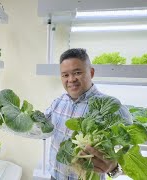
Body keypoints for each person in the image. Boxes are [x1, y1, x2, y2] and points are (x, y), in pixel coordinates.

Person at [45, 48, 132, 180]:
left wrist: (113, 169)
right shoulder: (58, 102)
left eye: (77, 72)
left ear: (91, 72)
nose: (71, 79)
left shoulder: (112, 107)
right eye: (65, 75)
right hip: (55, 176)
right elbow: (41, 127)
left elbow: (129, 159)